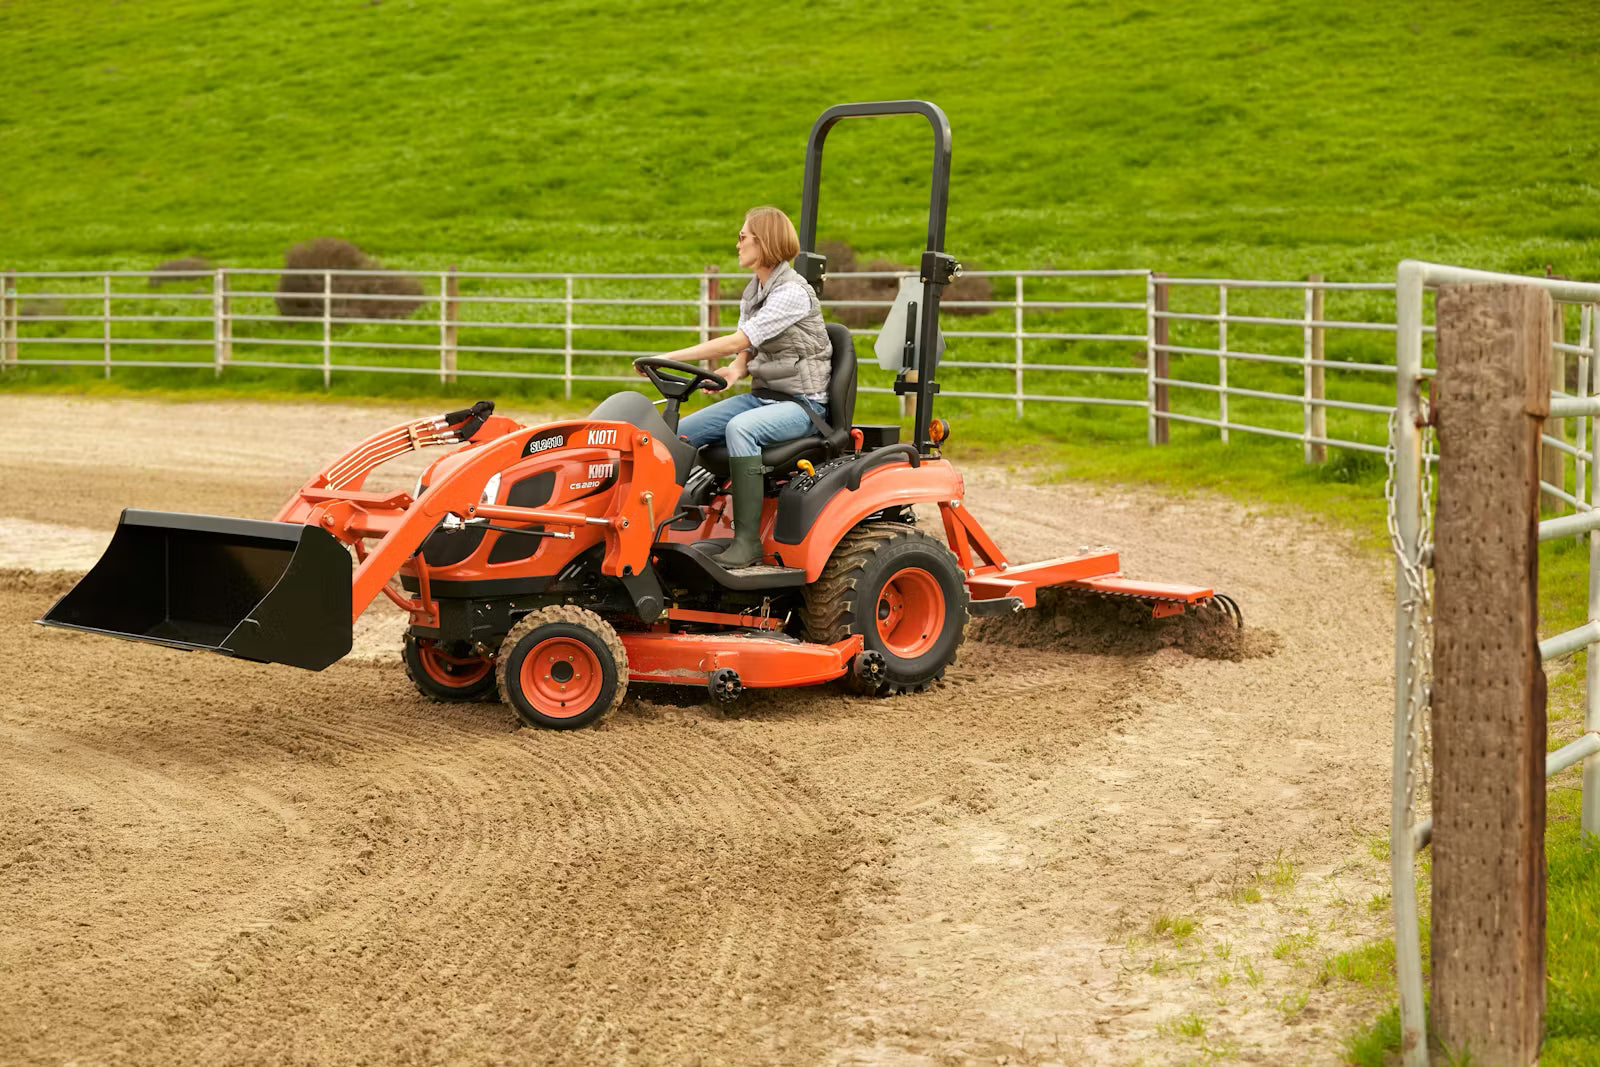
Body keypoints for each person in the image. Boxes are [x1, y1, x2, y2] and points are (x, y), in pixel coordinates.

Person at [655, 205, 832, 567]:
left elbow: (738, 340)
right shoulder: (755, 291)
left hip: (804, 405)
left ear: (763, 242)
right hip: (764, 397)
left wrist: (670, 355)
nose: (737, 244)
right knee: (678, 432)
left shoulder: (793, 293)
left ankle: (748, 541)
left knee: (741, 430)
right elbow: (749, 348)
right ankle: (657, 523)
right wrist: (735, 372)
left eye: (742, 236)